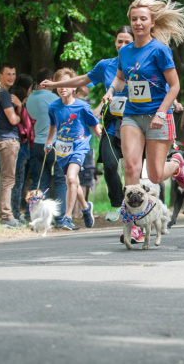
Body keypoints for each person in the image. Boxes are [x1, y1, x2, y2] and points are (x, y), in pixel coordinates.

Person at [42, 27, 134, 222]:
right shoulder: (105, 66)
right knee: (109, 164)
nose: (123, 45)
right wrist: (56, 85)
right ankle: (116, 202)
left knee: (133, 168)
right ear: (115, 43)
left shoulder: (141, 64)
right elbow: (83, 80)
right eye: (120, 41)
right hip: (113, 123)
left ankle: (137, 207)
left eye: (127, 42)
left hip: (136, 123)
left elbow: (159, 84)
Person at [103, 0, 184, 192]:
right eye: (134, 19)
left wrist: (161, 112)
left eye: (143, 19)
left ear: (152, 22)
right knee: (130, 166)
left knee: (155, 175)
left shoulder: (160, 50)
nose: (138, 23)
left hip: (157, 115)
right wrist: (111, 90)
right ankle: (132, 211)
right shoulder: (124, 52)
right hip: (132, 115)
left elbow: (175, 86)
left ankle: (177, 164)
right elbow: (120, 78)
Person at [44, 68, 103, 230]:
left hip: (79, 147)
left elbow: (94, 125)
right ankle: (86, 207)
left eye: (67, 84)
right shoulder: (53, 107)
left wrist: (104, 140)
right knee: (73, 181)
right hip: (62, 148)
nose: (63, 88)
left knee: (70, 178)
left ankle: (67, 217)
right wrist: (48, 142)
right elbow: (53, 125)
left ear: (74, 86)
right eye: (60, 84)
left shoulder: (82, 106)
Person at [25, 68, 66, 225]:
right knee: (60, 179)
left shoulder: (30, 99)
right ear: (49, 80)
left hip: (37, 143)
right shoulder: (53, 98)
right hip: (53, 143)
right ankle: (60, 218)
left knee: (42, 180)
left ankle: (36, 216)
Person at [0, 63, 22, 227]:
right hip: (8, 140)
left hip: (1, 139)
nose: (11, 77)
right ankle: (6, 216)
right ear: (0, 76)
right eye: (8, 74)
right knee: (8, 179)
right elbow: (13, 119)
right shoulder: (4, 94)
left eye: (13, 74)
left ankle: (5, 215)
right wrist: (19, 110)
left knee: (6, 177)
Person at [10, 73, 34, 223]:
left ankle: (14, 212)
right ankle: (14, 214)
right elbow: (26, 126)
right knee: (17, 181)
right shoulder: (17, 103)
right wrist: (20, 106)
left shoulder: (19, 102)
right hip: (20, 144)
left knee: (18, 181)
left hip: (23, 145)